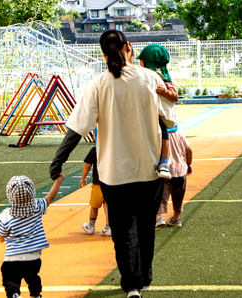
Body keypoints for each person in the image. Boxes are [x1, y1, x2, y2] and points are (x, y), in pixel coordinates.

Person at [50, 30, 176, 298]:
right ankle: (144, 278)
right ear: (129, 47)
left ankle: (130, 285)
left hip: (113, 175)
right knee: (145, 228)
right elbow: (170, 120)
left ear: (104, 55)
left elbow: (76, 128)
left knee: (122, 231)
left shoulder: (98, 85)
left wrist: (57, 161)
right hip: (149, 170)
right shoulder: (150, 78)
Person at [0, 174, 64, 298]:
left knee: (9, 279)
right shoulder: (37, 208)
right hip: (33, 258)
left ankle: (14, 294)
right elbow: (50, 197)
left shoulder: (5, 215)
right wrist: (58, 181)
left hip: (12, 258)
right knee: (33, 277)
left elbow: (1, 238)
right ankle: (36, 294)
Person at [138, 44, 179, 180]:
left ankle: (164, 161)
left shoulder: (164, 78)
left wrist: (165, 91)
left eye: (141, 60)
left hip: (159, 114)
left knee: (163, 131)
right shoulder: (143, 75)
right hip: (148, 112)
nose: (139, 63)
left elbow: (175, 96)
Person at [156, 125, 193, 228]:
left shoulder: (160, 137)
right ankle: (176, 219)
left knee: (161, 197)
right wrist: (188, 164)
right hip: (180, 171)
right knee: (179, 196)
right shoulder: (180, 135)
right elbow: (189, 150)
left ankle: (158, 217)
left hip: (166, 171)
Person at [80, 145, 111, 236]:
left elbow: (88, 164)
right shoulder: (114, 147)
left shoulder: (95, 149)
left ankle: (91, 226)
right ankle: (109, 227)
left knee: (94, 206)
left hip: (98, 184)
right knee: (108, 205)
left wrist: (83, 177)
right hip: (111, 182)